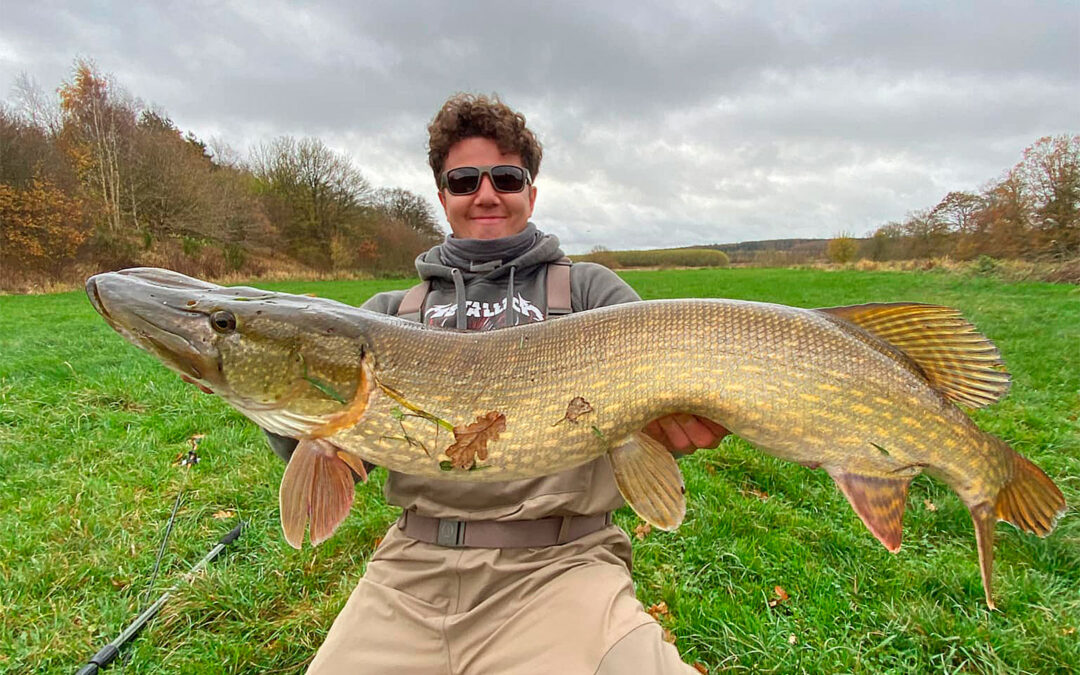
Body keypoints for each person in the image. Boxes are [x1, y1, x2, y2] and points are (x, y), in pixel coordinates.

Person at [267, 93, 728, 674]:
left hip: (563, 565)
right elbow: (328, 452)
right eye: (464, 181)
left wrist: (676, 423)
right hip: (412, 572)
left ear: (530, 191)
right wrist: (271, 401)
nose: (485, 194)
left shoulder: (590, 294)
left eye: (506, 177)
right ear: (443, 198)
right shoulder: (387, 317)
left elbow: (670, 411)